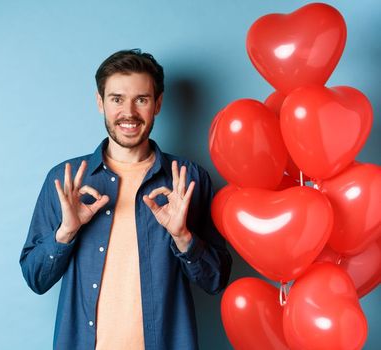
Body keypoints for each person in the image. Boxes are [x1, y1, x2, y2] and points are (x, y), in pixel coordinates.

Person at [19, 49, 232, 350]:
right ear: (100, 103)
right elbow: (35, 278)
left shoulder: (188, 179)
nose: (128, 112)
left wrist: (183, 237)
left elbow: (216, 280)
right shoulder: (66, 181)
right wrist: (65, 233)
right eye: (117, 99)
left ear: (157, 104)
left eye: (141, 99)